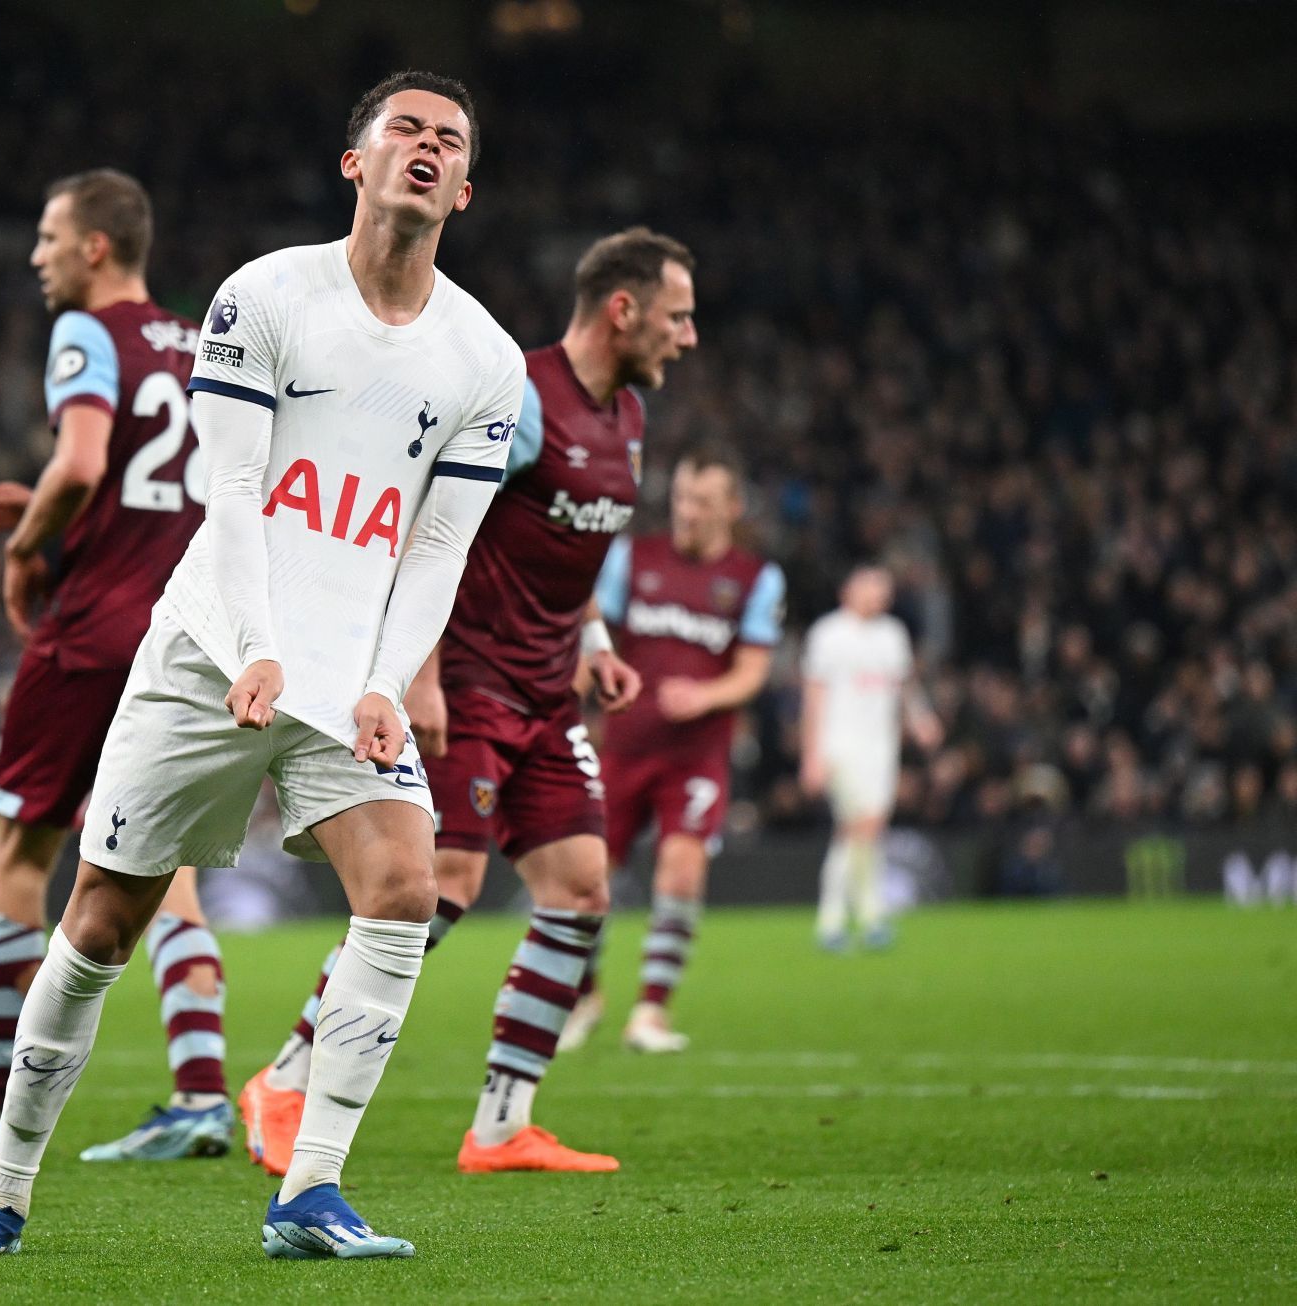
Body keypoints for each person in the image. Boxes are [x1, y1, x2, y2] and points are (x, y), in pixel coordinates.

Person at [0, 69, 524, 1262]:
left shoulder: (484, 359)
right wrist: (254, 648)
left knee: (404, 887)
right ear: (354, 163)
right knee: (101, 917)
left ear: (465, 184)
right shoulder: (264, 295)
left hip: (344, 670)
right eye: (403, 128)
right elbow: (230, 491)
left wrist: (386, 679)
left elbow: (442, 543)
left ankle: (310, 1191)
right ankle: (6, 1191)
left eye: (448, 140)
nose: (426, 147)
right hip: (208, 648)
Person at [240, 229, 699, 1177]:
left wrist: (598, 646)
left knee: (580, 889)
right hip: (470, 683)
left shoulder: (630, 418)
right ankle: (284, 1079)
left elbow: (574, 556)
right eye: (678, 315)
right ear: (624, 309)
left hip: (547, 690)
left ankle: (501, 1124)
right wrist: (420, 673)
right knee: (437, 886)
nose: (688, 337)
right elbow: (429, 523)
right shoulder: (525, 401)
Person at [0, 169, 232, 1164]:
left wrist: (26, 549)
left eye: (50, 236)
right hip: (188, 634)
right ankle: (199, 1093)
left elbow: (91, 459)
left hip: (93, 633)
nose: (36, 255)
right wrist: (52, 500)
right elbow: (182, 489)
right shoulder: (201, 345)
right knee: (165, 864)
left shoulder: (83, 334)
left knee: (23, 854)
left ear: (97, 246)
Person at [577, 445, 785, 1053]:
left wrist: (706, 694)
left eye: (703, 502)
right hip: (624, 746)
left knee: (683, 866)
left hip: (696, 756)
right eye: (682, 500)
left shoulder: (755, 578)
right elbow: (598, 640)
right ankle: (585, 994)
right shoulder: (631, 558)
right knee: (589, 878)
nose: (688, 513)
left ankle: (651, 1012)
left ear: (733, 507)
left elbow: (751, 671)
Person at [801, 565, 942, 948]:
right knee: (857, 825)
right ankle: (834, 918)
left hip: (880, 747)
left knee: (870, 828)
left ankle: (865, 915)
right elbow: (814, 695)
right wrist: (811, 753)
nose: (877, 597)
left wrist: (921, 720)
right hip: (840, 742)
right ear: (849, 590)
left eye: (883, 590)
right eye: (870, 588)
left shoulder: (892, 635)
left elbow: (904, 689)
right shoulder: (828, 634)